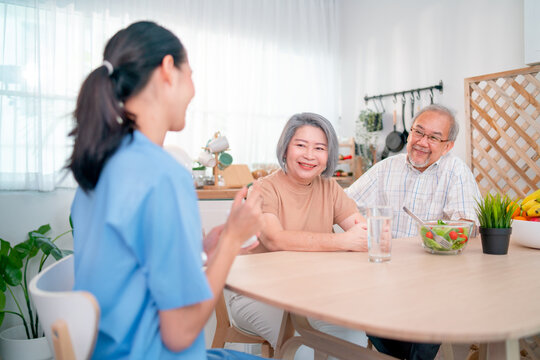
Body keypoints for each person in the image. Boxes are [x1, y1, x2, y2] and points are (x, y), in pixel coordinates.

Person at [68, 21, 265, 359]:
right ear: (168, 70)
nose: (193, 90)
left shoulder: (99, 166)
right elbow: (181, 332)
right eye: (191, 75)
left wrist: (202, 250)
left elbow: (129, 264)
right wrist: (233, 239)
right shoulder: (163, 176)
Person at [345, 104, 482, 360]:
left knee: (427, 314)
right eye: (418, 132)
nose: (421, 142)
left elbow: (468, 226)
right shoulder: (387, 167)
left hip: (432, 280)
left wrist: (439, 231)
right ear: (409, 133)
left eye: (433, 137)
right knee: (363, 305)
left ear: (448, 146)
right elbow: (344, 203)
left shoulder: (456, 172)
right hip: (383, 275)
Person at [228, 112, 369, 357]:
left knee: (353, 339)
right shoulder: (263, 189)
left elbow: (363, 233)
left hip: (312, 293)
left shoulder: (330, 188)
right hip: (258, 294)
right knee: (303, 349)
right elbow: (275, 239)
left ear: (328, 155)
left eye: (319, 148)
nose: (309, 155)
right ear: (285, 150)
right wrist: (343, 241)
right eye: (301, 145)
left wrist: (362, 235)